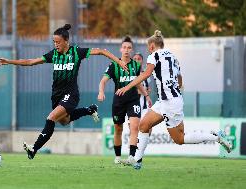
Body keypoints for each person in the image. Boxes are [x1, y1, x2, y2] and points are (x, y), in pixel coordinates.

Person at [0, 24, 127, 160]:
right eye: (54, 42)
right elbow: (30, 61)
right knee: (64, 121)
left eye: (58, 42)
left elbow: (101, 51)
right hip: (56, 95)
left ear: (66, 41)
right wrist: (9, 61)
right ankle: (89, 110)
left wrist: (118, 61)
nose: (56, 44)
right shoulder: (53, 55)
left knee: (51, 118)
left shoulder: (76, 52)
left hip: (71, 94)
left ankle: (34, 149)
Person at [116, 30, 232, 169]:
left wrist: (127, 86)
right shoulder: (172, 56)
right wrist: (174, 88)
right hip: (166, 101)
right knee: (144, 125)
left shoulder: (154, 56)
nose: (148, 50)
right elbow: (180, 79)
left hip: (170, 102)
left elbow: (146, 74)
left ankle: (216, 137)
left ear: (152, 45)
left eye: (148, 47)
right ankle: (137, 160)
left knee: (180, 139)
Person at [98, 36, 152, 164]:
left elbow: (138, 83)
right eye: (124, 47)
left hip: (133, 100)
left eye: (129, 48)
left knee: (134, 127)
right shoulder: (114, 65)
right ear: (120, 49)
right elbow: (103, 80)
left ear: (132, 50)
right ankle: (117, 157)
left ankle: (131, 157)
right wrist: (101, 91)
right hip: (119, 101)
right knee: (118, 129)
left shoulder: (135, 65)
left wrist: (146, 95)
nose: (126, 50)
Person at [133, 52, 152, 118]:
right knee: (134, 127)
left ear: (142, 61)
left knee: (148, 126)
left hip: (145, 104)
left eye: (139, 59)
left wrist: (147, 90)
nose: (137, 61)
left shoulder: (146, 74)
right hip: (134, 104)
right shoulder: (129, 73)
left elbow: (148, 88)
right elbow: (132, 90)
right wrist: (144, 91)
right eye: (135, 59)